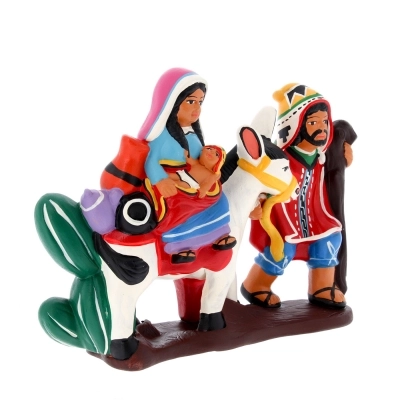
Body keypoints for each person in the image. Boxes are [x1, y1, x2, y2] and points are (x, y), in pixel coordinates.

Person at [241, 83, 354, 309]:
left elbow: (334, 170)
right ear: (296, 126)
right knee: (282, 250)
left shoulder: (323, 156)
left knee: (330, 240)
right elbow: (260, 180)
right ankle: (255, 285)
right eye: (313, 123)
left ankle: (321, 287)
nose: (321, 128)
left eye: (324, 121)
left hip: (315, 217)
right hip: (282, 218)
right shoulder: (279, 158)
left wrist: (344, 156)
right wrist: (254, 203)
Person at [137, 68, 236, 264]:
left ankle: (219, 234)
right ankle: (180, 245)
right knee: (179, 205)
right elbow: (150, 161)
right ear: (173, 103)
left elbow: (200, 158)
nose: (197, 108)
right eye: (191, 101)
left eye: (200, 102)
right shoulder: (161, 135)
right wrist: (160, 180)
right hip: (170, 179)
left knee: (218, 197)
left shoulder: (193, 132)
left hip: (193, 178)